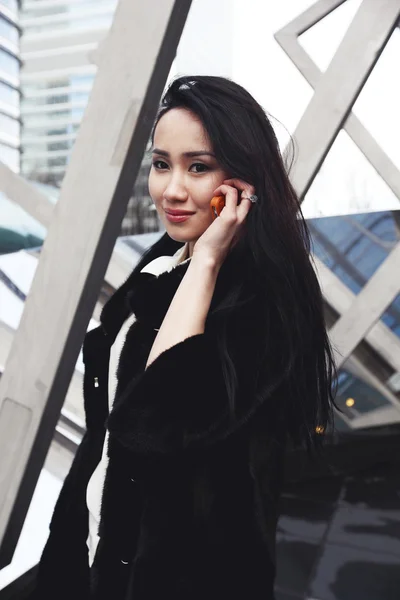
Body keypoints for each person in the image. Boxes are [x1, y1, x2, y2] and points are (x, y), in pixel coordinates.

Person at [31, 75, 337, 600]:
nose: (170, 190)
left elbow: (157, 419)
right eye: (160, 163)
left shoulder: (263, 294)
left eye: (198, 167)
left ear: (242, 179)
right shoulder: (167, 258)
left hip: (185, 575)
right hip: (96, 550)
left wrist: (212, 259)